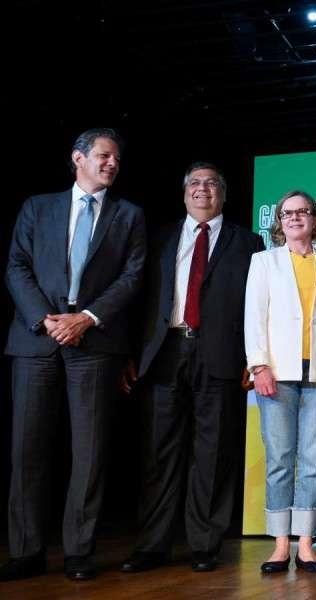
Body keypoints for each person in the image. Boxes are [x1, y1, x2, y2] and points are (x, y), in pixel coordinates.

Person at [1, 128, 146, 581]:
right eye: (104, 155)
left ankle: (79, 552)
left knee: (90, 451)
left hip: (94, 343)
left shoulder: (129, 215)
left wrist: (86, 317)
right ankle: (26, 551)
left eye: (116, 158)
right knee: (27, 449)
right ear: (78, 158)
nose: (112, 163)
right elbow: (17, 266)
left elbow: (132, 276)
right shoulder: (37, 207)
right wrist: (46, 320)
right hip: (36, 340)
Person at [120, 162, 263, 573]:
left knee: (213, 453)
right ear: (184, 193)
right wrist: (129, 353)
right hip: (163, 352)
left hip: (221, 355)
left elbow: (257, 305)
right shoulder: (158, 238)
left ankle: (204, 544)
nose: (203, 189)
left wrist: (254, 357)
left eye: (212, 183)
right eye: (195, 183)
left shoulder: (248, 242)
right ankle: (153, 545)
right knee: (158, 452)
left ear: (224, 194)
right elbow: (137, 298)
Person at [244, 190, 316, 574]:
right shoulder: (263, 261)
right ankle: (280, 545)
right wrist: (259, 367)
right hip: (277, 373)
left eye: (303, 212)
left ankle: (306, 545)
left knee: (313, 460)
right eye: (288, 213)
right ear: (279, 222)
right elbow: (254, 316)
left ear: (315, 220)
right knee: (280, 459)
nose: (295, 217)